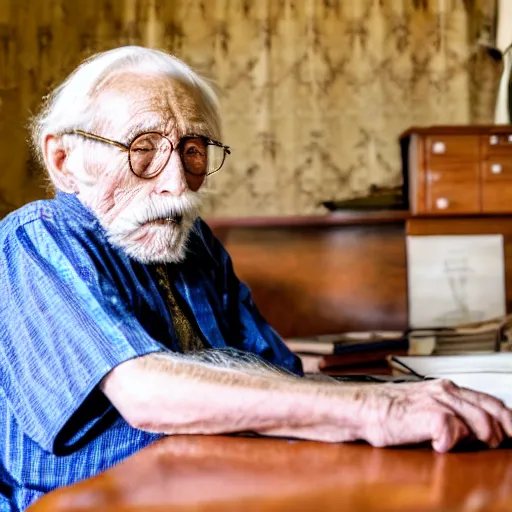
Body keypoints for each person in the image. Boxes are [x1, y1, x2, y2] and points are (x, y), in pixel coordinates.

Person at [0, 46, 511, 512]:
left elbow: (273, 371)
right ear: (64, 161)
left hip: (214, 485)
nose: (177, 183)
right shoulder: (37, 238)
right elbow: (142, 390)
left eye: (193, 149)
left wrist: (404, 394)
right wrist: (372, 407)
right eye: (143, 148)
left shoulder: (194, 244)